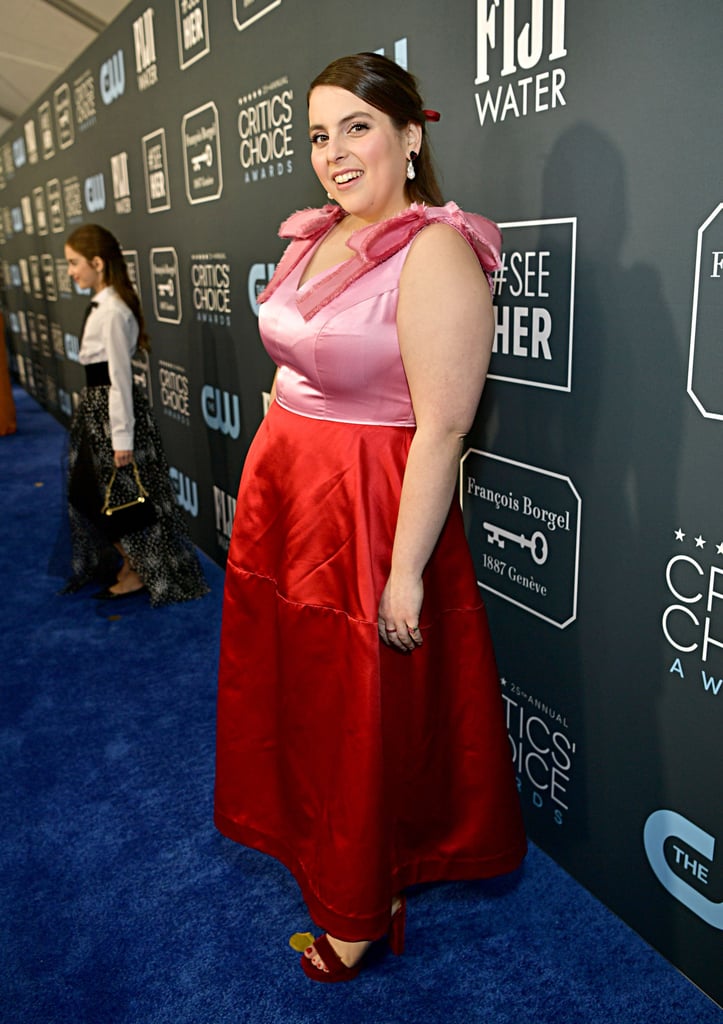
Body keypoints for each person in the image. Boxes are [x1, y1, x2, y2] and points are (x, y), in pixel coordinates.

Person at [214, 52, 526, 982]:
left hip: (368, 511)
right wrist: (267, 466)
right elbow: (289, 362)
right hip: (290, 501)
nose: (335, 153)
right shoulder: (313, 236)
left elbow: (444, 427)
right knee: (306, 697)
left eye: (356, 127)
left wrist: (402, 571)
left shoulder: (437, 249)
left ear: (409, 135)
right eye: (319, 134)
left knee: (362, 706)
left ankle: (360, 907)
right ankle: (324, 847)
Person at [63, 224, 208, 605]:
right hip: (98, 414)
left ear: (98, 262)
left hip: (111, 417)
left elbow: (119, 380)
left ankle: (137, 570)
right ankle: (133, 566)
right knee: (94, 494)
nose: (70, 271)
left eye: (74, 263)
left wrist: (121, 438)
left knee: (117, 498)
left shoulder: (112, 311)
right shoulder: (103, 304)